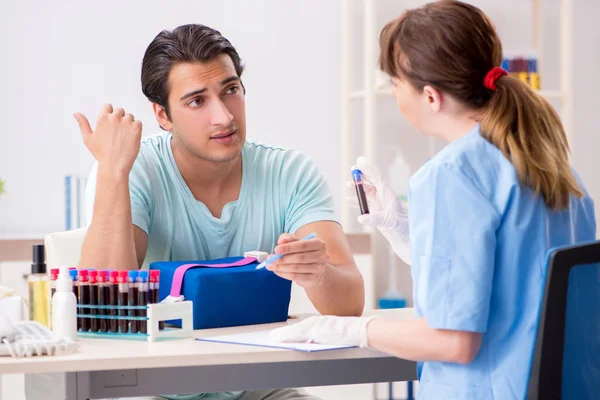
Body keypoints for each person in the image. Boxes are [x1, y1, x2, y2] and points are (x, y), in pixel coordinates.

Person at [270, 1, 596, 399]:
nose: (393, 93)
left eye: (394, 83)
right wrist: (402, 232)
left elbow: (453, 341)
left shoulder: (451, 175)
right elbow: (508, 277)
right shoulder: (554, 169)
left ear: (429, 96)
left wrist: (352, 328)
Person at [74, 24, 365, 400]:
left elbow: (349, 307)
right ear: (163, 115)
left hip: (259, 387)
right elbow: (105, 302)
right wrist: (113, 173)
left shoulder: (290, 172)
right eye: (197, 101)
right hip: (155, 388)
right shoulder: (132, 169)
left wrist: (317, 273)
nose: (224, 117)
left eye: (230, 91)